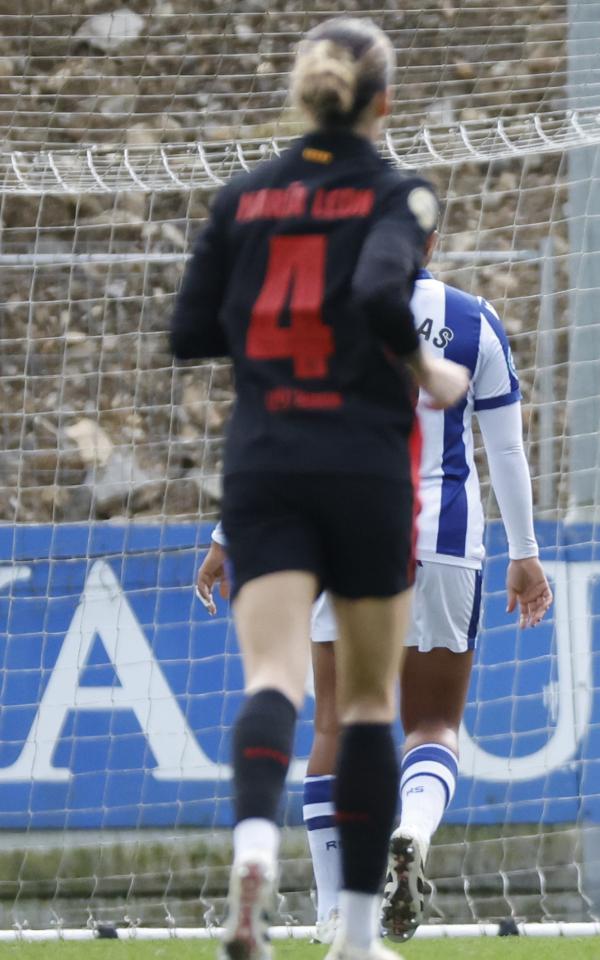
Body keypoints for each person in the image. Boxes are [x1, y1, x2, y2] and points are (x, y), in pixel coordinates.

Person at [170, 17, 470, 960]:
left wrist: (269, 339)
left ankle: (255, 842)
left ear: (303, 92)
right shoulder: (397, 192)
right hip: (363, 462)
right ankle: (351, 934)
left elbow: (189, 331)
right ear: (383, 101)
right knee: (374, 704)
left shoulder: (244, 196)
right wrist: (429, 373)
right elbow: (385, 293)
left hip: (263, 460)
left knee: (274, 681)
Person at [193, 229, 554, 945]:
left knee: (334, 722)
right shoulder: (472, 316)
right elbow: (505, 445)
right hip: (445, 536)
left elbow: (272, 429)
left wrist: (227, 534)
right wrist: (526, 552)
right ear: (435, 238)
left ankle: (333, 907)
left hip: (347, 530)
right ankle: (412, 830)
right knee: (433, 725)